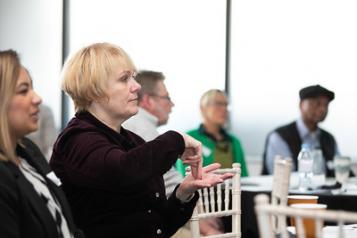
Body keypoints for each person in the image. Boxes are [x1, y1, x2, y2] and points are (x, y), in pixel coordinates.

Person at [49, 42, 233, 238]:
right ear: (94, 90)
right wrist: (176, 139)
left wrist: (182, 194)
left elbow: (157, 227)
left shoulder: (132, 140)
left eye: (133, 77)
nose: (136, 87)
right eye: (124, 79)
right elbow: (122, 171)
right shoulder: (77, 140)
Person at [0, 50, 83, 238]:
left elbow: (64, 221)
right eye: (23, 90)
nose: (37, 98)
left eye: (32, 88)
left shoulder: (28, 150)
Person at [123, 70, 182, 197]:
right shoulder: (142, 127)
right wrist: (197, 207)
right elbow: (168, 181)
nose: (172, 104)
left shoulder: (133, 123)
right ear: (148, 100)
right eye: (167, 97)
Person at [262, 84, 338, 176]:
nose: (322, 109)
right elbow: (283, 177)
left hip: (326, 190)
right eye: (317, 103)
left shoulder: (329, 139)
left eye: (326, 105)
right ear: (301, 105)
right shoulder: (279, 136)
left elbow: (341, 170)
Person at [176, 89, 249, 178]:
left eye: (226, 105)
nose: (224, 109)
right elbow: (185, 178)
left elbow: (244, 178)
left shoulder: (234, 141)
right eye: (218, 104)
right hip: (200, 191)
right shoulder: (189, 139)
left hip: (233, 191)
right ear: (203, 107)